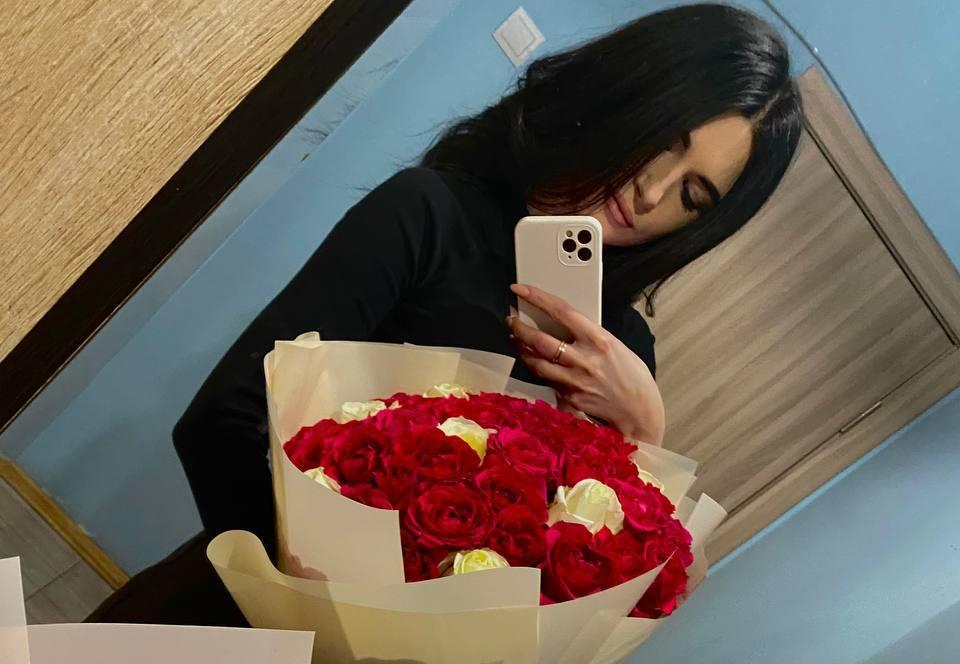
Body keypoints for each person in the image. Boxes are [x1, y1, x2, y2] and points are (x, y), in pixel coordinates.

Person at [90, 2, 802, 624]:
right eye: (665, 138)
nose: (652, 193)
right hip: (224, 614)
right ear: (628, 89)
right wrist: (335, 623)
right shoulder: (430, 215)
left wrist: (643, 436)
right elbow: (224, 423)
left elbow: (590, 585)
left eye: (693, 195)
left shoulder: (623, 356)